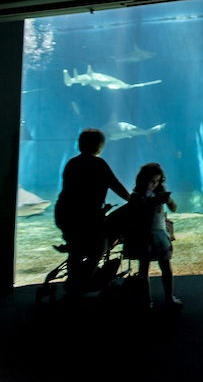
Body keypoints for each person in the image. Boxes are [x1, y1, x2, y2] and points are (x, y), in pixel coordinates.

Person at [54, 128, 130, 294]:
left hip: (65, 214)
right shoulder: (98, 164)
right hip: (87, 217)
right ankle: (82, 284)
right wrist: (133, 200)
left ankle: (72, 285)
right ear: (100, 146)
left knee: (76, 251)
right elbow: (116, 185)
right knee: (98, 249)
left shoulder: (72, 163)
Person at [123, 162, 182, 309]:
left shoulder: (159, 193)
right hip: (143, 236)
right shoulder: (136, 196)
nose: (154, 184)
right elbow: (134, 216)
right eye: (151, 181)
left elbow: (174, 208)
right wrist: (149, 204)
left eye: (157, 181)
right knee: (143, 269)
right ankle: (147, 300)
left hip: (160, 235)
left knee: (166, 267)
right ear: (143, 180)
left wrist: (168, 200)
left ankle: (169, 297)